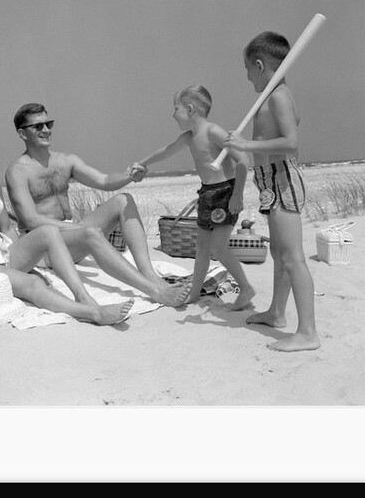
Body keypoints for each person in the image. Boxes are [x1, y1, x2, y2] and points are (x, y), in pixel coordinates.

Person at [0, 119, 134, 326]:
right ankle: (93, 314)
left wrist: (25, 262)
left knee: (48, 231)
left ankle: (83, 297)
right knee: (33, 285)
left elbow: (7, 227)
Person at [4, 103, 189, 307]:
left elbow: (104, 181)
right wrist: (80, 228)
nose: (46, 130)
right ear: (22, 133)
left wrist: (130, 176)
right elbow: (31, 219)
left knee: (123, 200)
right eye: (38, 127)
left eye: (49, 124)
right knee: (90, 233)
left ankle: (149, 274)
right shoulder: (17, 171)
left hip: (69, 236)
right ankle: (155, 291)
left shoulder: (66, 160)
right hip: (43, 246)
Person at [225, 30, 321, 352]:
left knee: (293, 258)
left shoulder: (279, 95)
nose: (246, 75)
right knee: (279, 255)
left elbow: (291, 143)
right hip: (269, 180)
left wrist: (246, 144)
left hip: (282, 179)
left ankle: (308, 333)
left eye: (247, 68)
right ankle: (277, 313)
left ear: (260, 64)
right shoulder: (271, 97)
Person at [132, 85, 256, 310]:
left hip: (224, 193)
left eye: (176, 109)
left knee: (218, 248)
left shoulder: (213, 132)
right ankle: (196, 292)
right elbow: (166, 151)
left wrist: (237, 195)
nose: (173, 115)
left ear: (190, 109)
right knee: (201, 247)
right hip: (206, 193)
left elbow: (243, 161)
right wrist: (143, 163)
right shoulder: (189, 137)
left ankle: (246, 287)